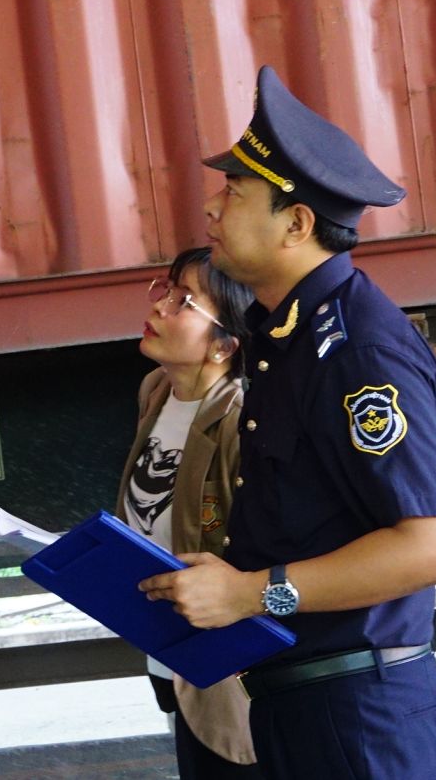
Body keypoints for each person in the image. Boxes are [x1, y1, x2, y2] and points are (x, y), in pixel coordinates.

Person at [139, 66, 436, 778]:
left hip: (359, 718)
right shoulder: (284, 340)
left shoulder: (359, 352)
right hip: (298, 707)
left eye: (235, 192)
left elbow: (434, 549)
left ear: (296, 223)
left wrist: (249, 592)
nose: (211, 208)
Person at [117, 247, 259, 777]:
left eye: (184, 302)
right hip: (167, 650)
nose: (159, 306)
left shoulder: (240, 418)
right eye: (166, 292)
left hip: (227, 664)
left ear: (224, 345)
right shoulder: (156, 391)